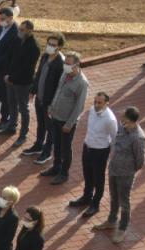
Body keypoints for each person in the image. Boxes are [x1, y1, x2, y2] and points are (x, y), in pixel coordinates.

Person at [39, 51, 89, 185]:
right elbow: (58, 91)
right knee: (56, 144)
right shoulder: (64, 74)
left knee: (65, 148)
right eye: (65, 62)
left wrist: (70, 123)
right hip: (55, 116)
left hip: (66, 121)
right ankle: (56, 167)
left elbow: (79, 106)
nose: (65, 66)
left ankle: (64, 173)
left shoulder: (82, 83)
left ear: (77, 65)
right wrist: (51, 107)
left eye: (68, 63)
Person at [96, 106, 145, 235]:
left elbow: (140, 160)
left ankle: (122, 228)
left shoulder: (138, 138)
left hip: (126, 174)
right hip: (113, 169)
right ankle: (111, 221)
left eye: (124, 115)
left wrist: (129, 170)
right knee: (114, 197)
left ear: (130, 120)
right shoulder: (122, 127)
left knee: (124, 201)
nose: (121, 116)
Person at [71, 92, 117, 218]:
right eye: (95, 102)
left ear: (107, 103)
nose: (96, 105)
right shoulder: (92, 110)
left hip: (100, 151)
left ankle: (95, 204)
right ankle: (86, 197)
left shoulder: (110, 119)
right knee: (87, 174)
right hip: (87, 147)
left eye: (99, 102)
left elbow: (115, 139)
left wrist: (112, 157)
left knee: (98, 178)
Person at [23, 33, 64, 161]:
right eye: (49, 44)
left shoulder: (60, 63)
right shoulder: (45, 57)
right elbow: (39, 74)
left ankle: (47, 151)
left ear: (60, 47)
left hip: (49, 102)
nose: (50, 47)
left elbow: (59, 86)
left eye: (53, 45)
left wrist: (53, 103)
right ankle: (38, 145)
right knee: (41, 124)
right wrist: (33, 90)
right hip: (40, 98)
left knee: (50, 127)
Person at [0, 20, 39, 145]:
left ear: (30, 31)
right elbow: (10, 57)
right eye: (19, 29)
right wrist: (7, 74)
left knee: (23, 108)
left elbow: (27, 68)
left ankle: (23, 134)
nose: (19, 31)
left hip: (22, 82)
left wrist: (12, 77)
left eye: (22, 30)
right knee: (11, 103)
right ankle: (11, 126)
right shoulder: (17, 40)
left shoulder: (34, 47)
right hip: (10, 79)